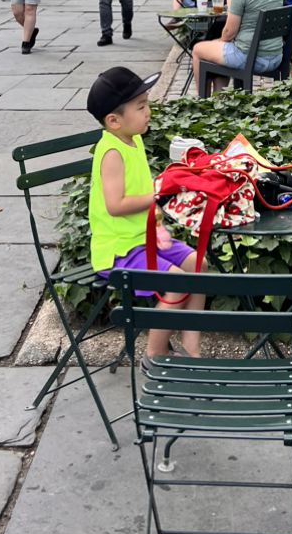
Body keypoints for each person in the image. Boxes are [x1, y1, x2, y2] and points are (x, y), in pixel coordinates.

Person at [86, 66, 206, 370]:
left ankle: (190, 350)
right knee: (177, 282)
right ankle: (154, 356)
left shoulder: (133, 139)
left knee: (200, 265)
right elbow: (115, 205)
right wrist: (159, 195)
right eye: (140, 107)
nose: (148, 111)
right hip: (119, 249)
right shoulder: (111, 152)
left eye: (146, 103)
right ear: (114, 121)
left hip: (146, 238)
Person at [191, 0, 286, 94]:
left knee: (198, 50)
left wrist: (222, 42)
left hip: (251, 57)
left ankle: (204, 102)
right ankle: (218, 99)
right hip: (275, 57)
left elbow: (229, 32)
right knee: (217, 50)